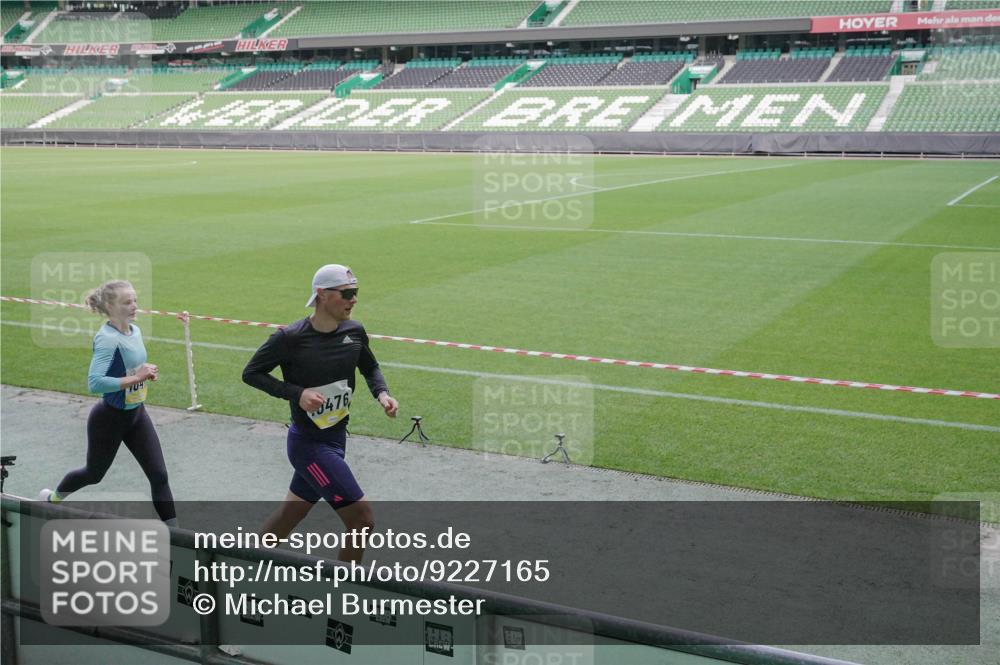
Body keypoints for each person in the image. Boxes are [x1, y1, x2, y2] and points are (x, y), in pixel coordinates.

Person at [242, 264, 398, 562]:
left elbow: (370, 367)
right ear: (322, 294)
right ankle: (344, 588)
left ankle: (240, 563)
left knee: (290, 514)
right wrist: (297, 393)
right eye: (347, 294)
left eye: (356, 293)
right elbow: (251, 373)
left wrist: (382, 393)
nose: (354, 299)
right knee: (362, 519)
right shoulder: (290, 338)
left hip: (337, 439)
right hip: (309, 447)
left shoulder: (354, 332)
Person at [39, 280, 177, 526]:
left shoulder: (134, 331)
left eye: (135, 300)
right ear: (111, 307)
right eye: (127, 302)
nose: (134, 306)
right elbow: (95, 383)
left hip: (136, 415)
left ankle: (175, 535)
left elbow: (128, 368)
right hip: (109, 419)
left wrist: (144, 371)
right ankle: (52, 498)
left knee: (159, 475)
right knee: (93, 474)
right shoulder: (106, 339)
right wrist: (138, 377)